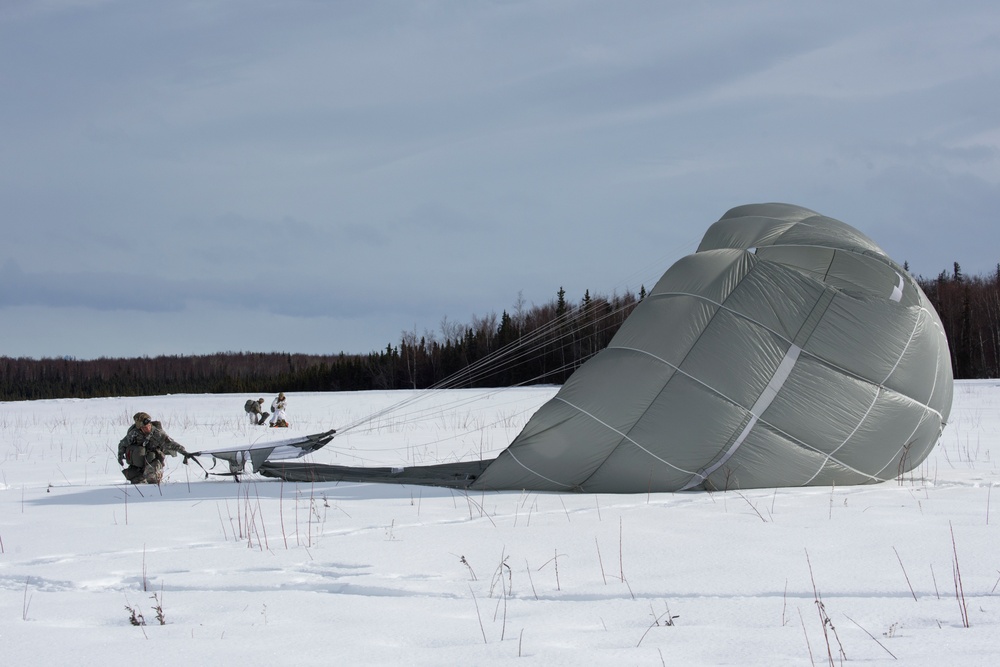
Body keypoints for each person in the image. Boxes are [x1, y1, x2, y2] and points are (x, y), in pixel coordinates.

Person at [117, 412, 191, 484]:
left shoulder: (157, 433)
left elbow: (171, 443)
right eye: (145, 427)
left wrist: (184, 452)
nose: (148, 428)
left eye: (149, 425)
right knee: (136, 481)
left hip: (153, 460)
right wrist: (120, 455)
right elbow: (123, 444)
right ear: (140, 428)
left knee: (152, 479)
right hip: (138, 462)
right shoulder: (134, 433)